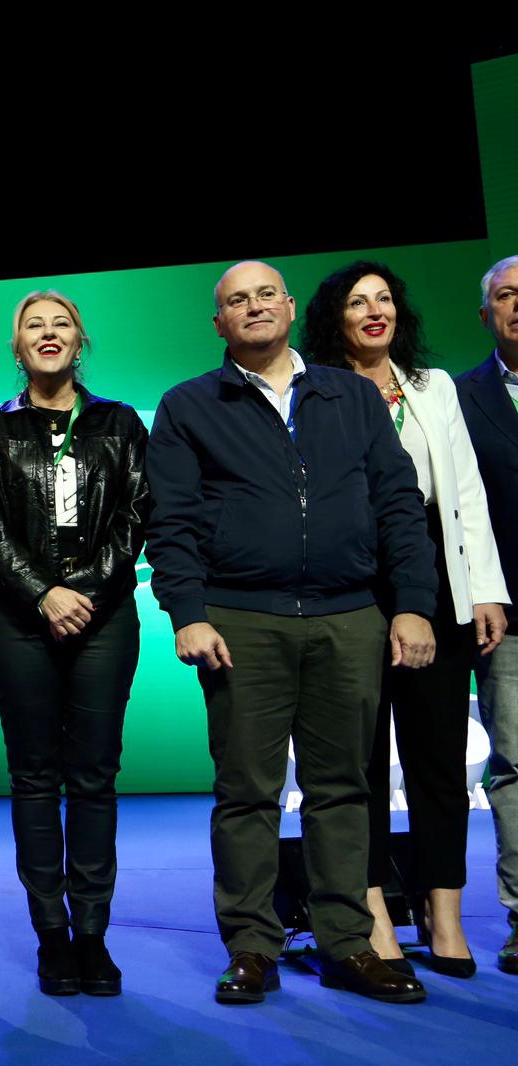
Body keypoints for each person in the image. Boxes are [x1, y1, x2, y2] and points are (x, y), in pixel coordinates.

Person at [146, 260, 437, 1005]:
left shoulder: (351, 396)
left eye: (264, 295)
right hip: (242, 621)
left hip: (349, 616)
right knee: (247, 793)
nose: (252, 308)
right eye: (235, 301)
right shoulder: (186, 406)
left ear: (289, 304)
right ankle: (251, 946)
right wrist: (190, 614)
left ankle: (350, 944)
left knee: (343, 789)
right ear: (218, 324)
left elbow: (400, 502)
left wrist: (412, 604)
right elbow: (170, 524)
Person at [301, 261, 509, 978]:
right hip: (352, 581)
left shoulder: (434, 388)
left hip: (436, 582)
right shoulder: (313, 391)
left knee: (438, 762)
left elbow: (466, 495)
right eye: (358, 303)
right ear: (337, 318)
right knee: (354, 762)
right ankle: (373, 912)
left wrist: (485, 590)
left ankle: (442, 911)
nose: (374, 311)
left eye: (384, 299)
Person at [0, 290, 149, 997]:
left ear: (80, 341)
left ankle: (93, 936)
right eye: (33, 326)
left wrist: (86, 593)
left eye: (60, 324)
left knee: (95, 778)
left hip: (104, 621)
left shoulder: (120, 423)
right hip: (18, 622)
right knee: (35, 778)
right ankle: (51, 936)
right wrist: (43, 593)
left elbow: (134, 516)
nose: (48, 334)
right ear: (18, 347)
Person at [455, 254, 518, 975]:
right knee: (515, 766)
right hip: (510, 615)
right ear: (485, 315)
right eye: (505, 296)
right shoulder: (462, 397)